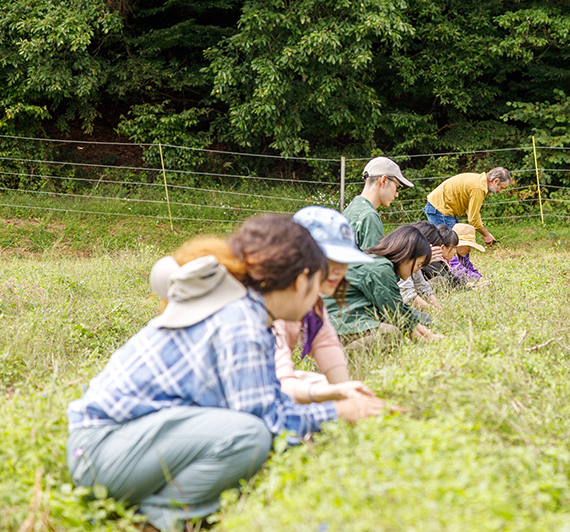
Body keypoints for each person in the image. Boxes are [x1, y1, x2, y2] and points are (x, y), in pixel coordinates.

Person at [66, 215, 382, 531]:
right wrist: (338, 413)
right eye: (317, 282)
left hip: (115, 448)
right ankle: (157, 518)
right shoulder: (241, 320)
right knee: (250, 435)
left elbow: (269, 403)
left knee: (249, 432)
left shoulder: (247, 310)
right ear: (302, 280)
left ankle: (161, 508)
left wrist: (331, 399)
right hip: (101, 453)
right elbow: (268, 425)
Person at [273, 206, 377, 402]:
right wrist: (337, 396)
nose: (340, 270)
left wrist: (349, 396)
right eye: (330, 259)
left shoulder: (313, 305)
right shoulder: (270, 303)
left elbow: (326, 343)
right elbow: (278, 383)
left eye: (344, 261)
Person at [331, 225, 444, 350]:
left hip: (343, 322)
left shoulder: (380, 264)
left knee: (418, 320)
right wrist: (425, 340)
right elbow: (394, 314)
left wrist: (428, 333)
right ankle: (335, 356)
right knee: (392, 334)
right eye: (418, 266)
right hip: (337, 327)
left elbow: (398, 306)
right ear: (407, 255)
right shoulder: (382, 270)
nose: (416, 271)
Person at [423, 167, 511, 245]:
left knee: (459, 241)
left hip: (442, 208)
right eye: (501, 188)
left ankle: (461, 263)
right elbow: (473, 218)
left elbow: (472, 213)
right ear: (496, 181)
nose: (500, 191)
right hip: (440, 209)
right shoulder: (479, 188)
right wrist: (486, 235)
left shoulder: (479, 180)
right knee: (453, 244)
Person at [343, 156, 413, 250]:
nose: (397, 194)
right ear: (383, 180)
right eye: (397, 187)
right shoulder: (369, 216)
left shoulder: (352, 207)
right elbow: (374, 263)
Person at [398, 222, 445, 310]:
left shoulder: (414, 262)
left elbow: (423, 286)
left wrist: (440, 309)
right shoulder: (403, 261)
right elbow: (408, 295)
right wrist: (435, 312)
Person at [422, 224, 467, 290]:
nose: (455, 251)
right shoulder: (433, 262)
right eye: (454, 247)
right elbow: (449, 281)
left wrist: (465, 283)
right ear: (443, 247)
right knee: (440, 280)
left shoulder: (440, 261)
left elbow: (450, 276)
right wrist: (467, 288)